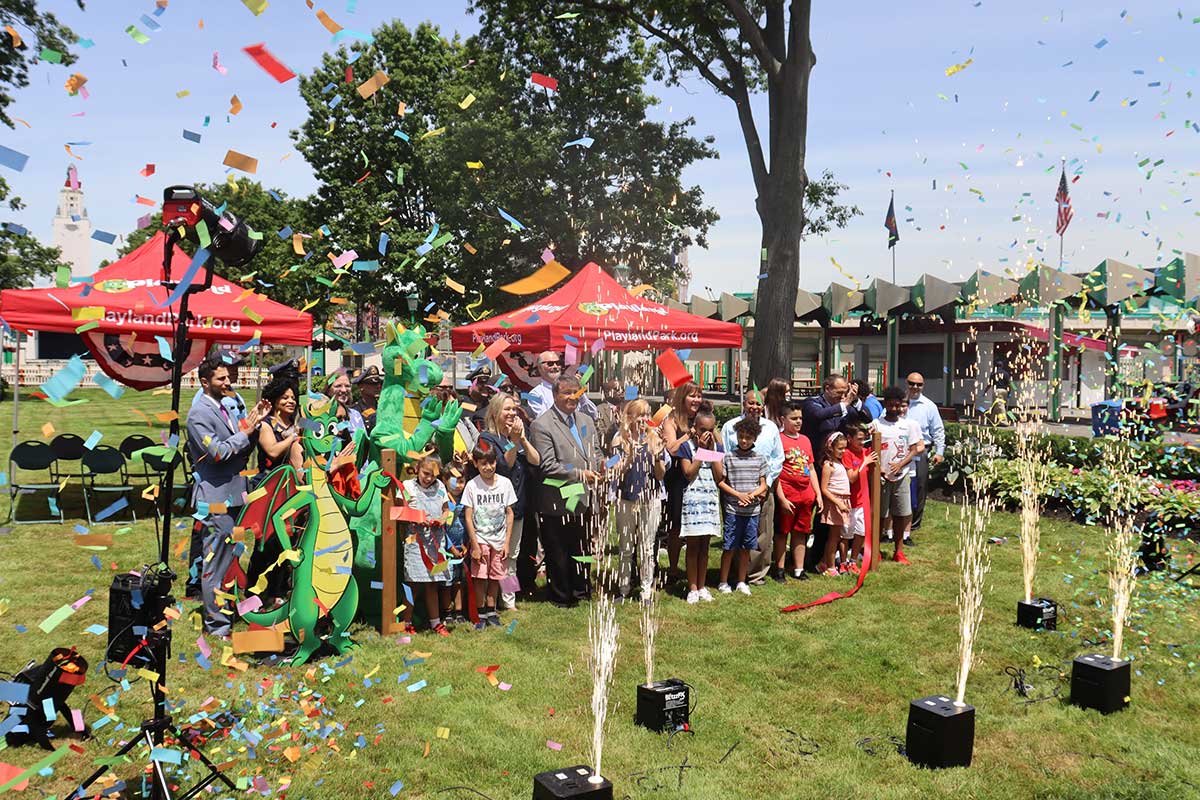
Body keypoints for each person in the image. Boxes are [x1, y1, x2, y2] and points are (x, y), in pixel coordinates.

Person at [186, 355, 267, 638]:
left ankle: (225, 614)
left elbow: (239, 442)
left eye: (228, 377)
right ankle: (217, 626)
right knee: (214, 563)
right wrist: (245, 433)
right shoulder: (198, 415)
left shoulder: (225, 408)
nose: (228, 382)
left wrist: (253, 423)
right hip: (215, 498)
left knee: (228, 560)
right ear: (205, 382)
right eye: (221, 378)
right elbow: (218, 452)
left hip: (233, 497)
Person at [528, 375, 599, 607]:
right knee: (559, 550)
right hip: (558, 498)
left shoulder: (586, 420)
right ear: (555, 395)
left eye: (576, 392)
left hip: (584, 496)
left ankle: (581, 590)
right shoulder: (542, 425)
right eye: (566, 393)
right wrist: (580, 473)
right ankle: (561, 595)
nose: (572, 397)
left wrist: (605, 467)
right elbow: (548, 465)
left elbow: (595, 453)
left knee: (582, 547)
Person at [801, 374, 870, 572]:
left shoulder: (847, 404)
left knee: (827, 519)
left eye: (844, 392)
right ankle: (800, 556)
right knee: (810, 510)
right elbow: (817, 417)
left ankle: (819, 558)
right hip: (815, 466)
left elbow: (866, 417)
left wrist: (855, 402)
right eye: (839, 392)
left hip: (836, 468)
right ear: (827, 387)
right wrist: (844, 404)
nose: (842, 396)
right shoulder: (812, 403)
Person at [479, 393, 542, 610]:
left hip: (517, 508)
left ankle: (509, 600)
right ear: (495, 413)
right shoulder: (487, 439)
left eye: (514, 409)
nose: (512, 413)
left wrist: (522, 439)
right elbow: (503, 466)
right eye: (507, 409)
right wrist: (514, 442)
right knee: (491, 555)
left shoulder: (518, 436)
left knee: (512, 555)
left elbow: (536, 460)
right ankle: (488, 601)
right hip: (493, 510)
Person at [606, 399, 669, 599]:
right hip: (626, 498)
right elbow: (615, 472)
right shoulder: (618, 440)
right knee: (625, 547)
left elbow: (660, 476)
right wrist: (630, 456)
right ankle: (623, 589)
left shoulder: (655, 439)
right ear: (630, 417)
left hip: (650, 499)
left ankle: (646, 590)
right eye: (640, 415)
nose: (644, 419)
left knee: (647, 547)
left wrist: (658, 456)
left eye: (647, 414)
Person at [721, 389, 783, 585]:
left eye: (758, 404)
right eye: (750, 403)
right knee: (735, 532)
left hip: (763, 488)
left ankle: (756, 573)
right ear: (744, 404)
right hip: (734, 491)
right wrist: (735, 491)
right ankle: (736, 573)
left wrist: (766, 487)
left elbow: (777, 458)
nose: (754, 407)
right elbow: (723, 456)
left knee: (762, 532)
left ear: (763, 407)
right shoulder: (730, 427)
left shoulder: (771, 428)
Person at [463, 442, 518, 629]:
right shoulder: (472, 486)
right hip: (481, 539)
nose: (488, 467)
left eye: (492, 463)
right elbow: (468, 517)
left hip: (500, 540)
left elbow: (510, 513)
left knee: (496, 577)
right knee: (480, 577)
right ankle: (480, 614)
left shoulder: (505, 483)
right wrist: (475, 545)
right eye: (483, 464)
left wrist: (507, 542)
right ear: (476, 464)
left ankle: (491, 611)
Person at [401, 454, 452, 636]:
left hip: (435, 542)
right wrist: (417, 517)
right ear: (417, 468)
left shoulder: (440, 488)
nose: (429, 478)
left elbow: (447, 510)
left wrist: (441, 519)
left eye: (433, 475)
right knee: (413, 583)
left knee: (433, 584)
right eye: (425, 473)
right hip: (415, 543)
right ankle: (406, 622)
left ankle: (436, 623)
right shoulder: (407, 487)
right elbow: (400, 510)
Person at [716, 417, 768, 596]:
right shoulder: (729, 457)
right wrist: (738, 495)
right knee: (729, 547)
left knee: (746, 548)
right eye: (741, 437)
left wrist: (751, 496)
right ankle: (723, 581)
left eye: (748, 437)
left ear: (754, 439)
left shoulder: (759, 458)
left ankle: (741, 580)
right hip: (733, 510)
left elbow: (763, 485)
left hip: (752, 511)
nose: (744, 440)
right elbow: (721, 482)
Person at [661, 381, 706, 580]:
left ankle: (694, 569)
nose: (696, 400)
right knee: (676, 525)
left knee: (697, 525)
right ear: (682, 398)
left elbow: (716, 447)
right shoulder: (672, 420)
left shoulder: (703, 418)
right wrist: (689, 435)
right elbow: (671, 449)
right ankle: (673, 568)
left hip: (699, 477)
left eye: (699, 396)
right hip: (677, 479)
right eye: (692, 396)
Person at [676, 409, 722, 602]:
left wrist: (712, 452)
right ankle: (693, 587)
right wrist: (702, 454)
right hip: (693, 500)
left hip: (709, 499)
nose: (707, 434)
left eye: (710, 430)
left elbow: (720, 476)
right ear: (695, 428)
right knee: (693, 545)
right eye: (703, 429)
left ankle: (703, 586)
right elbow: (688, 473)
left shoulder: (716, 448)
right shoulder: (687, 448)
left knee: (705, 546)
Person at [874, 386, 923, 564]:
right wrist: (880, 469)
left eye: (898, 405)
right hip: (881, 477)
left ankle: (899, 550)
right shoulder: (876, 424)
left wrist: (900, 465)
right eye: (890, 405)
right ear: (885, 404)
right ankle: (875, 548)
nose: (894, 409)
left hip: (902, 476)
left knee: (902, 514)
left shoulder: (908, 425)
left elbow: (914, 449)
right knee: (880, 514)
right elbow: (871, 450)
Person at [774, 401, 819, 582]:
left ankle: (799, 568)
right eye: (794, 419)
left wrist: (818, 494)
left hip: (805, 494)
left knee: (801, 532)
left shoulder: (805, 440)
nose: (798, 422)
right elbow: (775, 471)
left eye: (800, 418)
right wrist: (782, 498)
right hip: (787, 493)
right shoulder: (778, 440)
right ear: (782, 419)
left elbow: (811, 467)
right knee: (782, 532)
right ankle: (779, 568)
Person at [904, 372, 945, 538]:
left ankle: (914, 523)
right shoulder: (899, 403)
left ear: (923, 386)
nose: (915, 387)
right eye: (912, 383)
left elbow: (938, 430)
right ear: (907, 384)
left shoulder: (929, 406)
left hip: (921, 451)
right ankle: (895, 522)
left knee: (920, 486)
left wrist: (939, 452)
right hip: (901, 450)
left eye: (918, 384)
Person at [841, 421, 878, 569]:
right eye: (859, 439)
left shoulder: (864, 452)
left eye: (864, 439)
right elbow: (851, 477)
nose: (862, 442)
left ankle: (853, 560)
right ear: (850, 439)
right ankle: (843, 562)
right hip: (849, 502)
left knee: (861, 532)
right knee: (846, 534)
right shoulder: (847, 454)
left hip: (863, 501)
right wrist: (865, 463)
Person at [440, 449, 469, 627]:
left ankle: (459, 611)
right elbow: (442, 527)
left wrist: (465, 544)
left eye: (461, 481)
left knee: (459, 580)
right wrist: (451, 547)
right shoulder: (444, 500)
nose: (458, 485)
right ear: (444, 480)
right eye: (454, 480)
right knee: (446, 582)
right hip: (446, 548)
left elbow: (467, 523)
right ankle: (447, 612)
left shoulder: (464, 500)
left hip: (462, 546)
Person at [817, 432, 853, 576]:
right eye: (840, 448)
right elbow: (824, 489)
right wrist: (839, 503)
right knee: (834, 537)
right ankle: (830, 567)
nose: (843, 451)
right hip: (834, 503)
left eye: (845, 448)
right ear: (831, 448)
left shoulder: (840, 463)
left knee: (836, 536)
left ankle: (824, 562)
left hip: (843, 501)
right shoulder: (828, 465)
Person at [527, 351, 598, 420]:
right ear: (539, 367)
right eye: (550, 364)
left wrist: (580, 392)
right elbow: (545, 421)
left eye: (558, 363)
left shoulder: (572, 390)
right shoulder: (534, 395)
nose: (555, 366)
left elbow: (593, 415)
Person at [351, 365, 383, 435]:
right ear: (361, 387)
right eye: (372, 384)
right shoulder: (354, 411)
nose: (378, 386)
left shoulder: (384, 408)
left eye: (379, 383)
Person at [463, 365, 497, 429]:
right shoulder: (463, 403)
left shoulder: (491, 405)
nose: (485, 385)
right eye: (481, 382)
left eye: (487, 382)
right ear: (472, 385)